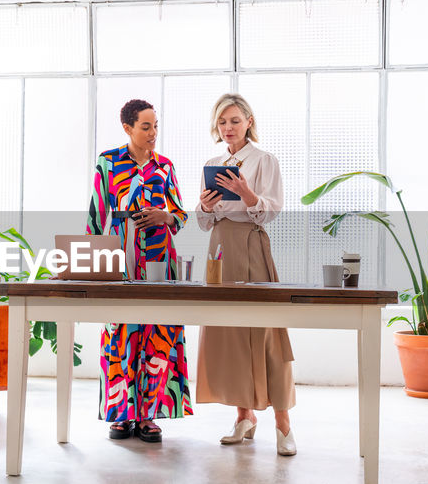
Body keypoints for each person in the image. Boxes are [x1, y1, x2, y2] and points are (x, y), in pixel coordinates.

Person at [194, 93, 298, 456]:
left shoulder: (264, 160)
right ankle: (244, 416)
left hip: (252, 246)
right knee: (229, 332)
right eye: (222, 122)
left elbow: (271, 210)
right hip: (220, 248)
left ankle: (283, 424)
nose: (228, 128)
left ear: (249, 122)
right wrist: (204, 207)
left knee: (265, 330)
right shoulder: (213, 162)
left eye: (235, 121)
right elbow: (205, 221)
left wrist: (247, 194)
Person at [86, 98, 190, 443]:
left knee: (158, 332)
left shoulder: (165, 167)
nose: (153, 133)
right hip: (121, 259)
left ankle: (148, 415)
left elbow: (181, 214)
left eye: (156, 126)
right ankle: (120, 414)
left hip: (160, 260)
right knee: (119, 331)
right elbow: (96, 215)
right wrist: (89, 263)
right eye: (146, 126)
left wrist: (166, 216)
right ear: (128, 128)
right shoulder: (108, 162)